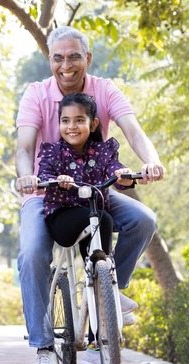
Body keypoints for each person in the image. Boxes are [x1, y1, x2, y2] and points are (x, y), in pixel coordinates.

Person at [15, 26, 166, 364]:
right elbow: (24, 148)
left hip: (94, 188)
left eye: (73, 57)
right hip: (45, 193)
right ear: (49, 60)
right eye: (57, 57)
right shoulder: (36, 94)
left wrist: (151, 161)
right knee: (33, 254)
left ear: (87, 59)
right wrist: (25, 178)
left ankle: (109, 292)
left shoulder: (105, 89)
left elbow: (132, 130)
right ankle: (43, 351)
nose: (66, 65)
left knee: (143, 220)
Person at [37, 92, 135, 260]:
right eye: (65, 121)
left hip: (94, 213)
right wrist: (58, 180)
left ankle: (100, 276)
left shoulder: (102, 152)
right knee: (101, 219)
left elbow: (114, 168)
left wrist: (122, 176)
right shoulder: (53, 152)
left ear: (93, 124)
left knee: (103, 221)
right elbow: (44, 175)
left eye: (80, 120)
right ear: (59, 124)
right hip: (62, 215)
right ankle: (98, 270)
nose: (72, 126)